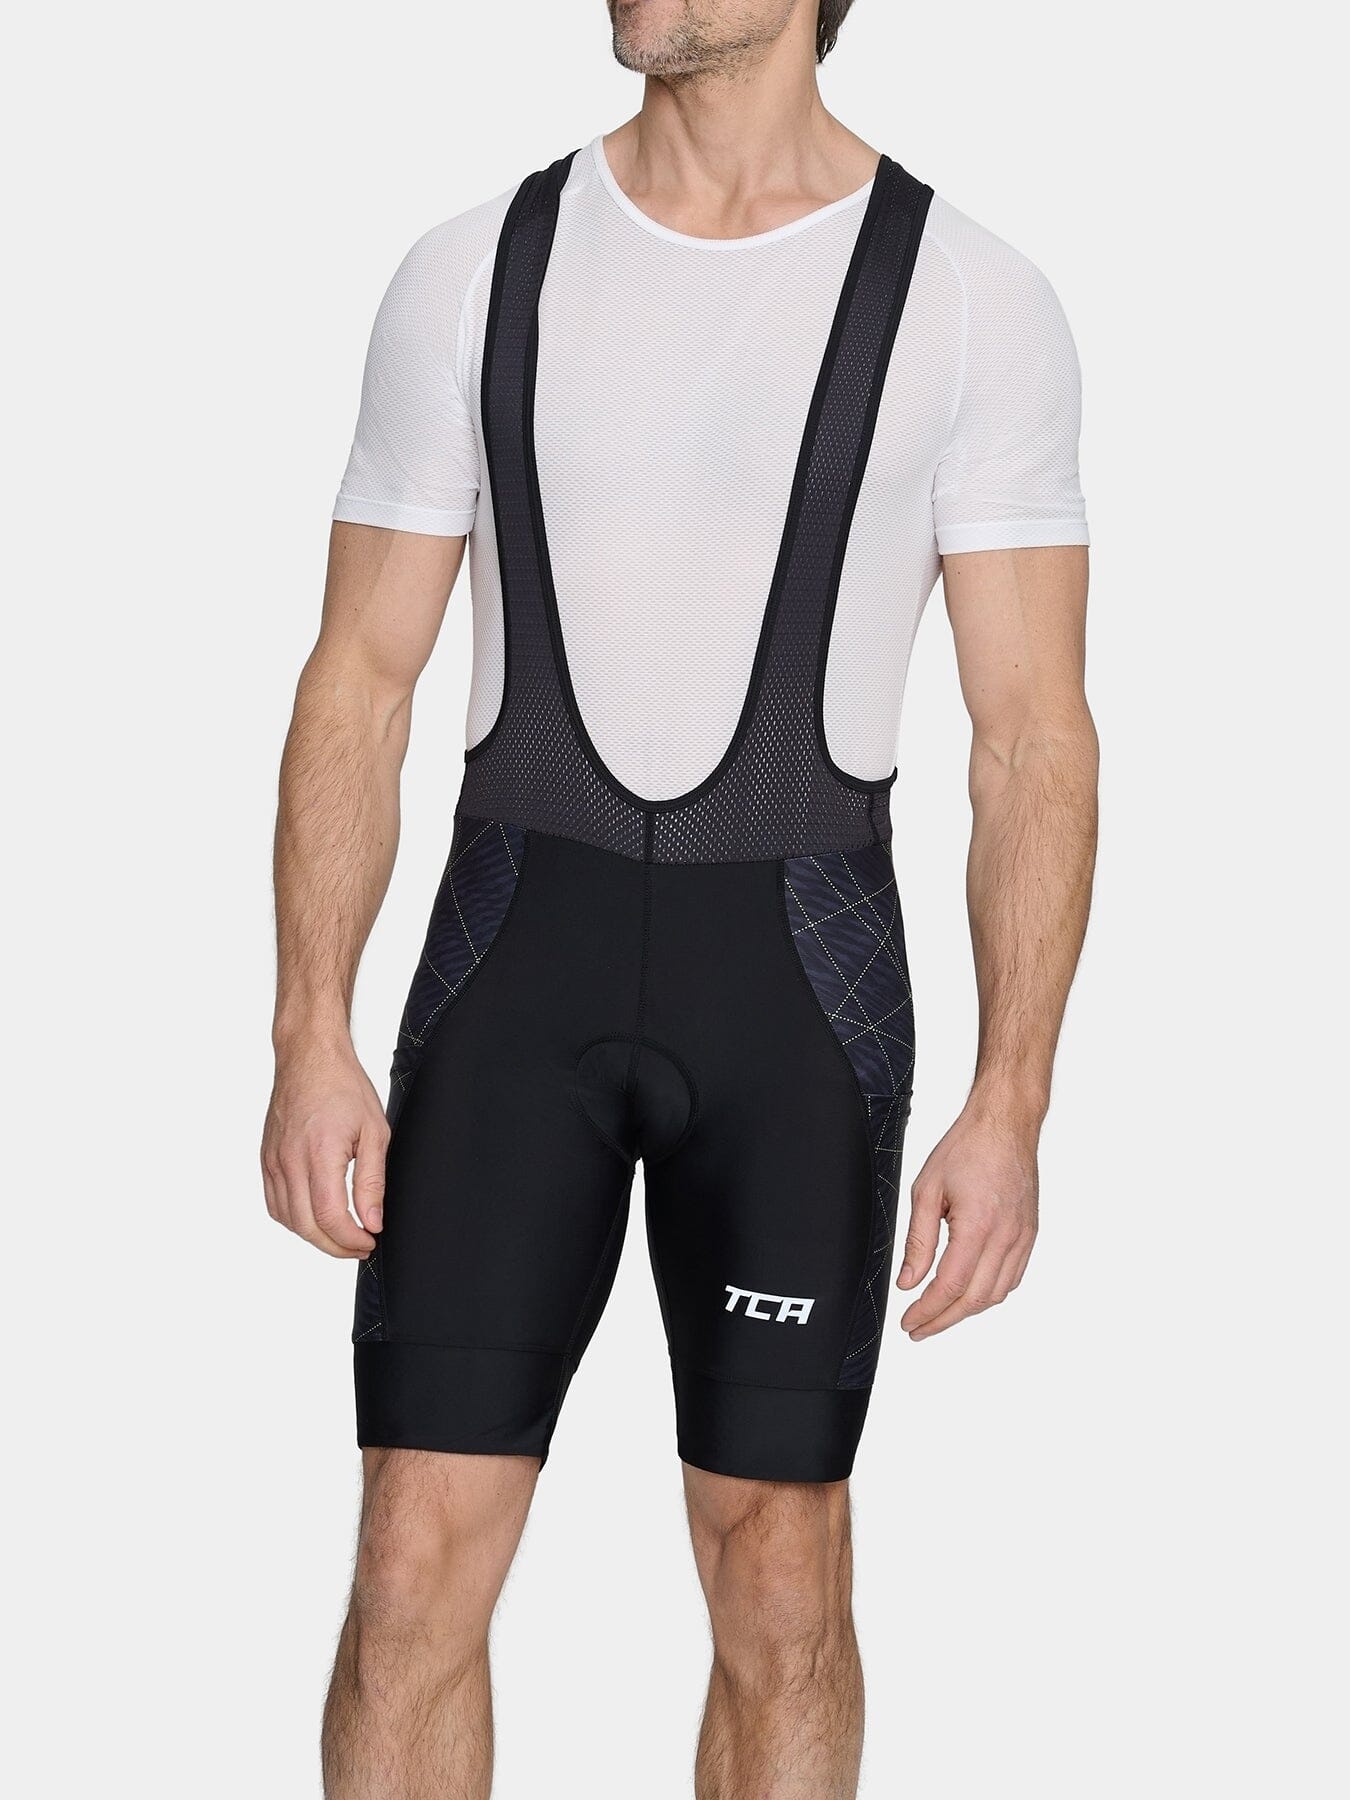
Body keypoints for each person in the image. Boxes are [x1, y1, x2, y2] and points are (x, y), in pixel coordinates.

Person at [262, 1, 1098, 1793]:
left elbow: (1031, 735)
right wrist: (306, 1030)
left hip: (796, 996)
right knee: (408, 1564)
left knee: (777, 1576)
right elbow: (358, 680)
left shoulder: (967, 295)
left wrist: (1012, 1099)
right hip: (508, 981)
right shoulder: (472, 266)